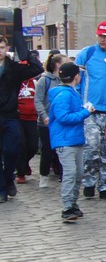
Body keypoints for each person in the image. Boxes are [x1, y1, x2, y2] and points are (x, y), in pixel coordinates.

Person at [74, 21, 106, 199]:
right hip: (91, 112)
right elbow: (76, 82)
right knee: (91, 149)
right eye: (100, 36)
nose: (103, 39)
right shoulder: (87, 54)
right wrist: (80, 104)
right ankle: (89, 182)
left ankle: (105, 186)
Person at [0, 35, 43, 203]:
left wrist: (24, 49)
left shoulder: (13, 68)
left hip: (11, 115)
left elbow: (36, 68)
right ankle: (2, 188)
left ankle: (9, 177)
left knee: (11, 150)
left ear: (7, 48)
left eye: (2, 47)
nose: (0, 51)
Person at [48, 62, 92, 222]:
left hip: (74, 140)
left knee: (78, 173)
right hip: (65, 141)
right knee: (70, 173)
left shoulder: (71, 93)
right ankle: (67, 206)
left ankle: (73, 204)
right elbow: (63, 117)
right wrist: (85, 112)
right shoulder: (64, 94)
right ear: (76, 77)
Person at [34, 51, 64, 187]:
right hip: (46, 123)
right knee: (47, 149)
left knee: (62, 149)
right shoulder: (44, 80)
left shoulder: (64, 80)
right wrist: (44, 116)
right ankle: (43, 176)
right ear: (57, 65)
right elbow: (38, 100)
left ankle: (63, 176)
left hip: (61, 121)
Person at [15, 68, 38, 183]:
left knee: (33, 146)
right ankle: (21, 172)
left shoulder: (34, 82)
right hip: (18, 118)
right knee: (21, 145)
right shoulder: (14, 82)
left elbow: (38, 99)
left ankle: (23, 164)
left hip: (32, 118)